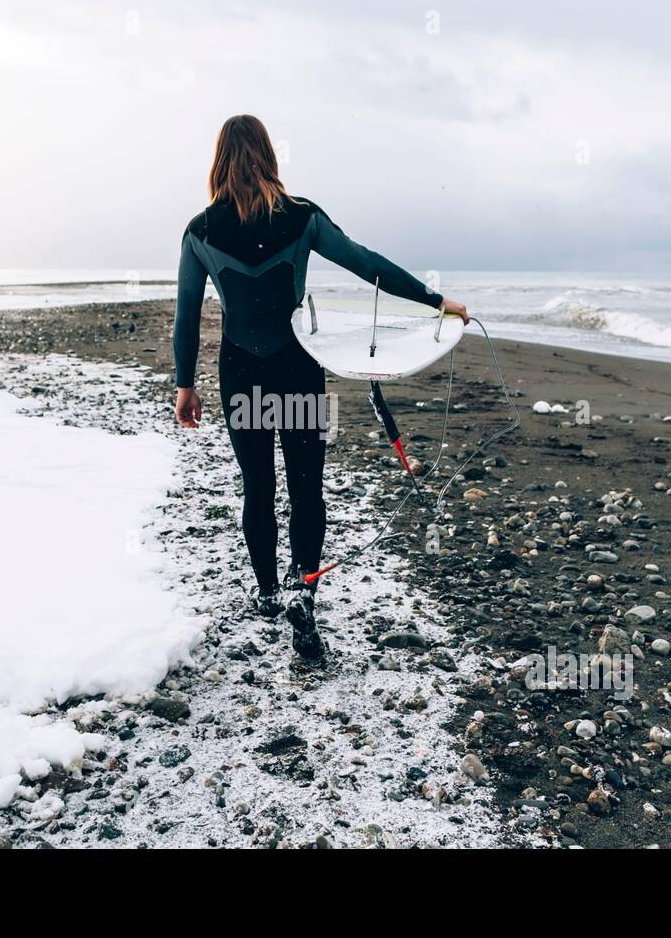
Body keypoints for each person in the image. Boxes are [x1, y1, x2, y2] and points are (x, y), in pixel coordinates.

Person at [173, 114, 469, 666]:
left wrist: (184, 384)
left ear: (218, 161)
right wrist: (435, 300)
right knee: (307, 484)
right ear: (269, 155)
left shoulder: (199, 231)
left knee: (257, 484)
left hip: (241, 370)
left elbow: (187, 314)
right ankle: (304, 591)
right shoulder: (302, 217)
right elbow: (366, 264)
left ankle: (266, 593)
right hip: (298, 366)